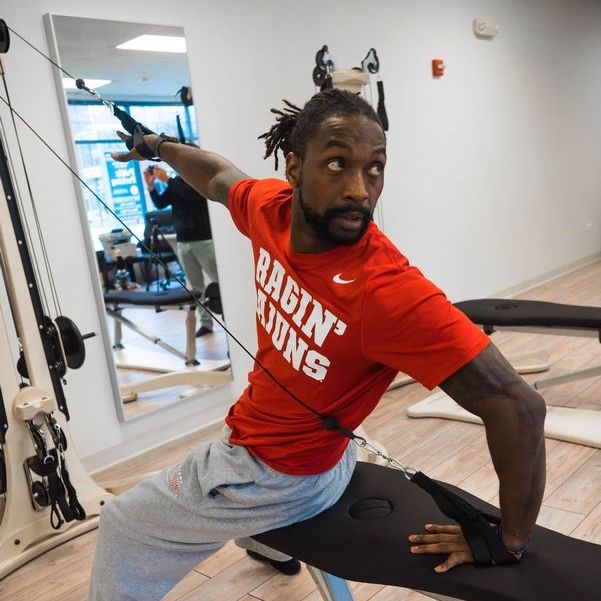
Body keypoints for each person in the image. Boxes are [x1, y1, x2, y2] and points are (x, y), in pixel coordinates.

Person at [88, 89, 546, 600]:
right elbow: (218, 176)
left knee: (123, 525)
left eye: (375, 168)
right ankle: (270, 543)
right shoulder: (271, 210)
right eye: (337, 163)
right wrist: (156, 145)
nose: (360, 189)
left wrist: (510, 539)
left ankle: (264, 527)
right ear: (293, 167)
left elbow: (518, 406)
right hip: (308, 451)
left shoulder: (388, 292)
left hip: (280, 475)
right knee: (232, 430)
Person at [144, 164, 218, 336]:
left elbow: (191, 195)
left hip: (204, 241)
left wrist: (167, 180)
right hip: (183, 242)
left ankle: (232, 320)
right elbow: (161, 203)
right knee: (195, 287)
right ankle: (206, 323)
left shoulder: (199, 180)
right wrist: (151, 186)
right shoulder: (176, 181)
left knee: (219, 283)